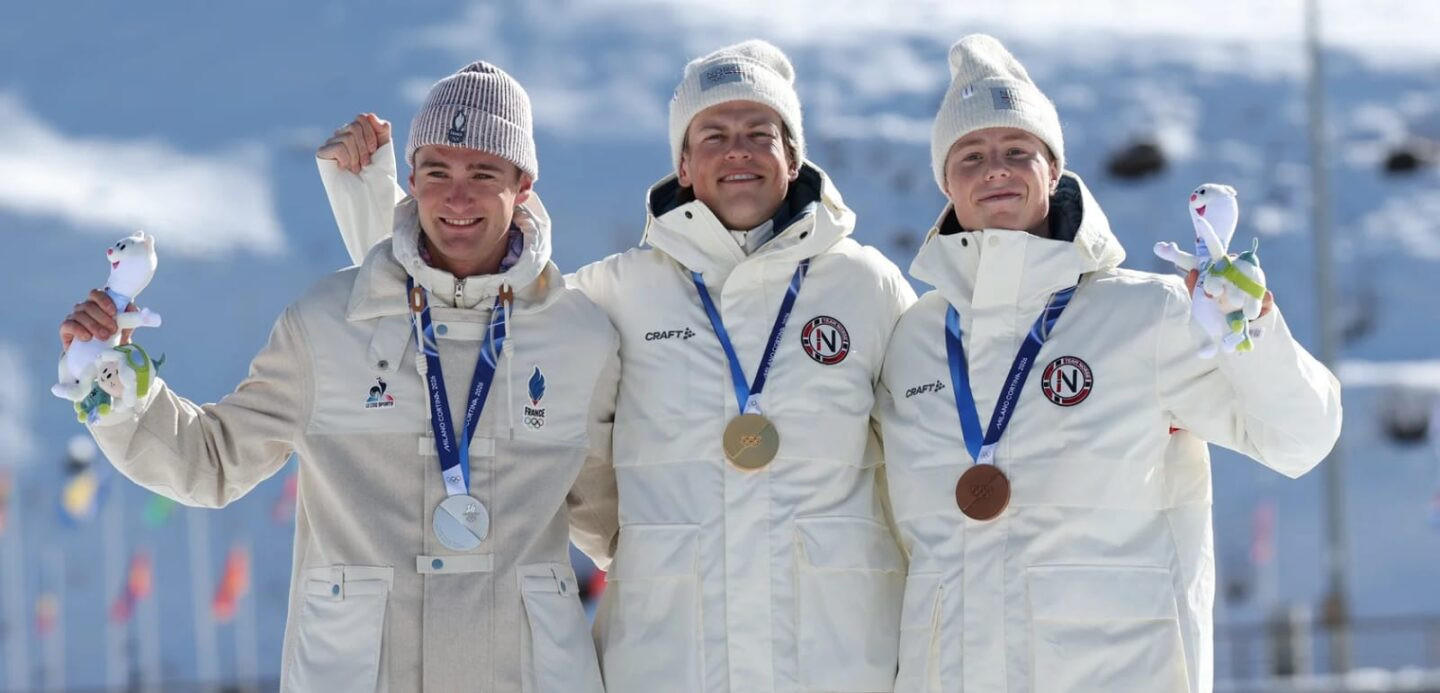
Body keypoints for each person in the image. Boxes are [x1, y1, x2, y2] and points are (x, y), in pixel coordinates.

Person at [319, 39, 918, 693]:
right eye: (713, 133)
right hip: (667, 662)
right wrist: (371, 206)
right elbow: (470, 322)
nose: (737, 150)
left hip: (842, 659)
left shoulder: (867, 285)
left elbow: (937, 441)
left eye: (759, 131)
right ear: (684, 164)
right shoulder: (617, 293)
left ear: (793, 153)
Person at [61, 62, 619, 693]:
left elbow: (623, 534)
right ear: (411, 181)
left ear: (523, 183)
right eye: (437, 172)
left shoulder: (579, 337)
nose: (456, 197)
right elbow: (209, 463)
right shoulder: (329, 323)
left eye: (483, 173)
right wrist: (119, 393)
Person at [876, 35, 1343, 692]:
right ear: (945, 183)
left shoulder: (1145, 315)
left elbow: (1300, 438)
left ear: (1055, 169)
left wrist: (1252, 332)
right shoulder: (914, 337)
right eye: (971, 155)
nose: (996, 169)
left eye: (1019, 151)